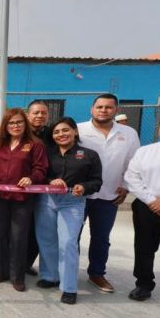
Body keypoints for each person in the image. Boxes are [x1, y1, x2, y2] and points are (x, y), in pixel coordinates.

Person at [78, 93, 140, 293]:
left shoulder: (129, 133)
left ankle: (97, 273)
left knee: (101, 238)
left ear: (116, 110)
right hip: (80, 194)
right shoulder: (78, 130)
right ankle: (68, 271)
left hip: (110, 194)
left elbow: (133, 164)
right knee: (72, 236)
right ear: (92, 109)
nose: (104, 110)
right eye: (100, 107)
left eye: (109, 107)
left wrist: (126, 186)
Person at [36, 117, 102, 304]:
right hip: (47, 200)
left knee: (68, 243)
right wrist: (51, 181)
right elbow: (41, 173)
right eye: (56, 132)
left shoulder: (89, 154)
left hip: (73, 202)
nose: (61, 134)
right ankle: (50, 276)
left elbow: (97, 181)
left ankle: (69, 287)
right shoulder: (48, 153)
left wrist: (83, 186)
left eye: (65, 130)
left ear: (75, 131)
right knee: (47, 240)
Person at [0, 108, 48, 292]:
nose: (15, 126)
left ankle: (17, 276)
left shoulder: (35, 144)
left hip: (23, 198)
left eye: (19, 122)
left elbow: (41, 168)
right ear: (5, 126)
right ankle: (0, 271)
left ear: (25, 124)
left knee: (18, 237)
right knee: (0, 235)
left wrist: (32, 178)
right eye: (11, 123)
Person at [124, 116, 160, 306]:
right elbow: (132, 177)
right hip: (146, 206)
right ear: (159, 129)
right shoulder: (145, 151)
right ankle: (143, 284)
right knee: (144, 247)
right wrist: (151, 201)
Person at [25, 100, 52, 275]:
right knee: (20, 228)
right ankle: (13, 263)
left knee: (38, 229)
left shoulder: (52, 134)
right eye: (36, 112)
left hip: (45, 188)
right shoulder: (19, 132)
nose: (40, 116)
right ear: (28, 115)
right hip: (20, 188)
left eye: (43, 113)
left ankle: (27, 263)